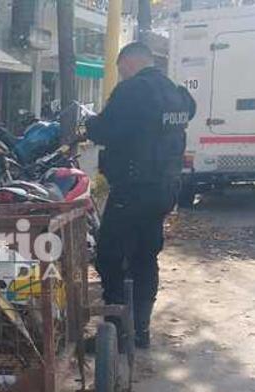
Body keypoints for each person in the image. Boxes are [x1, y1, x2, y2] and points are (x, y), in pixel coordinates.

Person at [86, 42, 196, 349]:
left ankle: (117, 333)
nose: (121, 77)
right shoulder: (176, 93)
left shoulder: (133, 90)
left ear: (130, 63)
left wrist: (86, 124)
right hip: (165, 191)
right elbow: (188, 112)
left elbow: (104, 129)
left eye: (121, 70)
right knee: (145, 257)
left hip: (133, 189)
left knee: (110, 256)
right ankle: (140, 331)